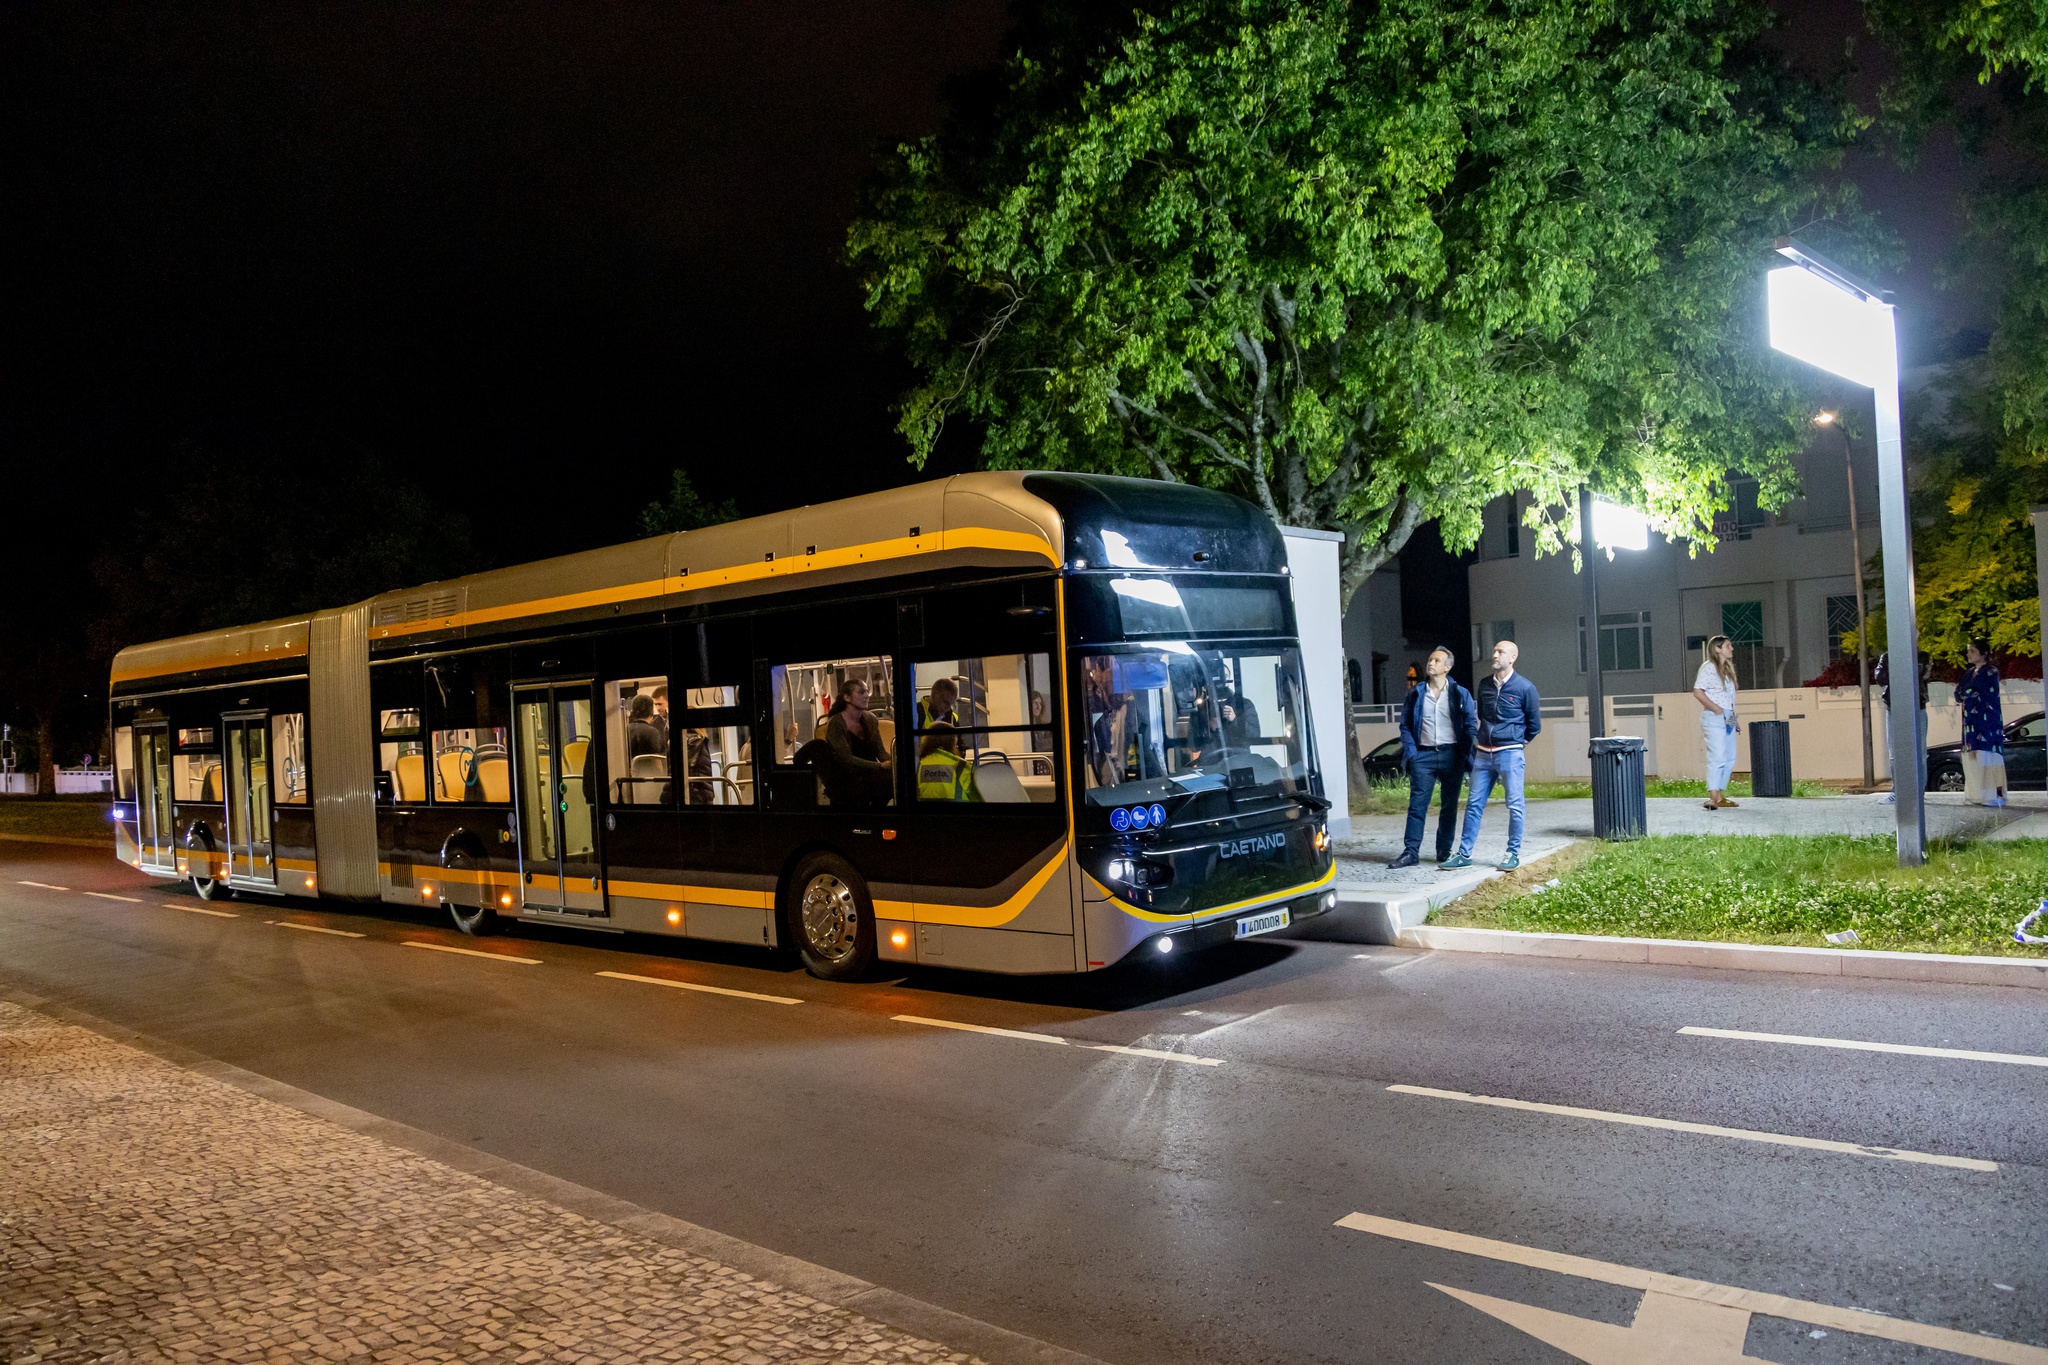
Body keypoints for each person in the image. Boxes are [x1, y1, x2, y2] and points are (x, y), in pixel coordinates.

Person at [1442, 640, 1541, 872]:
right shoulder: (1484, 684)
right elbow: (1482, 716)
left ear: (1512, 657)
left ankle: (1512, 853)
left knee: (1515, 804)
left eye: (1500, 652)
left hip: (1510, 753)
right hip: (1484, 754)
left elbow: (1534, 725)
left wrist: (1517, 742)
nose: (1495, 655)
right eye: (1494, 651)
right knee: (1474, 805)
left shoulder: (1525, 688)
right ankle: (1464, 854)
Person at [1389, 645, 1475, 868]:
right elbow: (1405, 725)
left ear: (1448, 667)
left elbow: (1470, 725)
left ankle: (1444, 851)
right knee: (1417, 806)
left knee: (1449, 806)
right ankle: (1410, 852)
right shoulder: (1416, 693)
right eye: (1430, 660)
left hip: (1452, 755)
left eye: (1437, 660)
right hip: (1423, 757)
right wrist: (1412, 754)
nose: (1431, 663)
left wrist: (1463, 753)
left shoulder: (1460, 694)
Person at [821, 678, 893, 808]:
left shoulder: (871, 719)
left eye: (866, 691)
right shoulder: (836, 723)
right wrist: (879, 766)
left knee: (894, 779)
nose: (866, 696)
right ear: (847, 698)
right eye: (861, 692)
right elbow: (846, 759)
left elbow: (880, 751)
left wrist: (893, 763)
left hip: (869, 773)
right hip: (847, 776)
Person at [1874, 648, 1931, 802]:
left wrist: (1897, 672)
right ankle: (1897, 792)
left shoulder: (1922, 656)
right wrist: (1899, 671)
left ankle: (1918, 792)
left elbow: (1919, 676)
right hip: (1894, 707)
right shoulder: (1887, 656)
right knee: (1894, 753)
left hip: (1917, 707)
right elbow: (1880, 677)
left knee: (1919, 752)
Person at [1955, 637, 2006, 806]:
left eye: (1972, 651)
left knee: (1988, 758)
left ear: (1983, 654)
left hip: (1988, 725)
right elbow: (1958, 693)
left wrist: (1966, 693)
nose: (1968, 654)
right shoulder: (1969, 673)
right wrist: (1965, 693)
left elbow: (1975, 690)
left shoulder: (1990, 672)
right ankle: (1975, 795)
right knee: (1972, 759)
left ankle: (1994, 796)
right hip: (1970, 724)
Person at [1692, 635, 1739, 810]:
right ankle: (1713, 797)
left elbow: (1729, 699)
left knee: (1730, 757)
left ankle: (1720, 795)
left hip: (1728, 715)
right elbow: (1698, 691)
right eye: (1727, 646)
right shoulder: (1709, 668)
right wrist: (1716, 709)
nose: (1731, 648)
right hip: (1715, 715)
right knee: (1717, 756)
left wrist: (1734, 720)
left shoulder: (1726, 670)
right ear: (1717, 649)